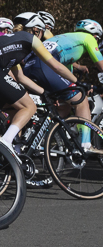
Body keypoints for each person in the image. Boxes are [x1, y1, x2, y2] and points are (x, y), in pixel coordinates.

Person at [0, 14, 74, 152]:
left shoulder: (11, 42)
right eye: (42, 34)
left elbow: (20, 77)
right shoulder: (31, 39)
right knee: (29, 107)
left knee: (16, 107)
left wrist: (45, 93)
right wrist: (76, 83)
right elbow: (56, 66)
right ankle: (6, 142)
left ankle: (15, 150)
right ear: (36, 30)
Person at [20, 18, 103, 149]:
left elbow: (66, 73)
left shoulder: (66, 38)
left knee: (64, 106)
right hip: (45, 67)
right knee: (81, 100)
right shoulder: (88, 38)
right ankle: (86, 144)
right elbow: (101, 65)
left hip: (29, 68)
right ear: (95, 36)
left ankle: (42, 138)